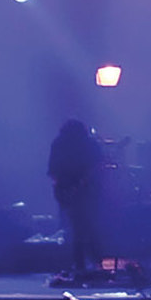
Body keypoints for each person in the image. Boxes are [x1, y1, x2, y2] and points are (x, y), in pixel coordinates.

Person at [46, 120, 105, 283]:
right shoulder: (89, 144)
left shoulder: (59, 142)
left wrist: (63, 189)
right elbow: (97, 165)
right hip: (82, 191)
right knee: (86, 227)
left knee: (74, 228)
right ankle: (92, 263)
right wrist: (78, 185)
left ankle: (81, 264)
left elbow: (52, 170)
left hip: (69, 190)